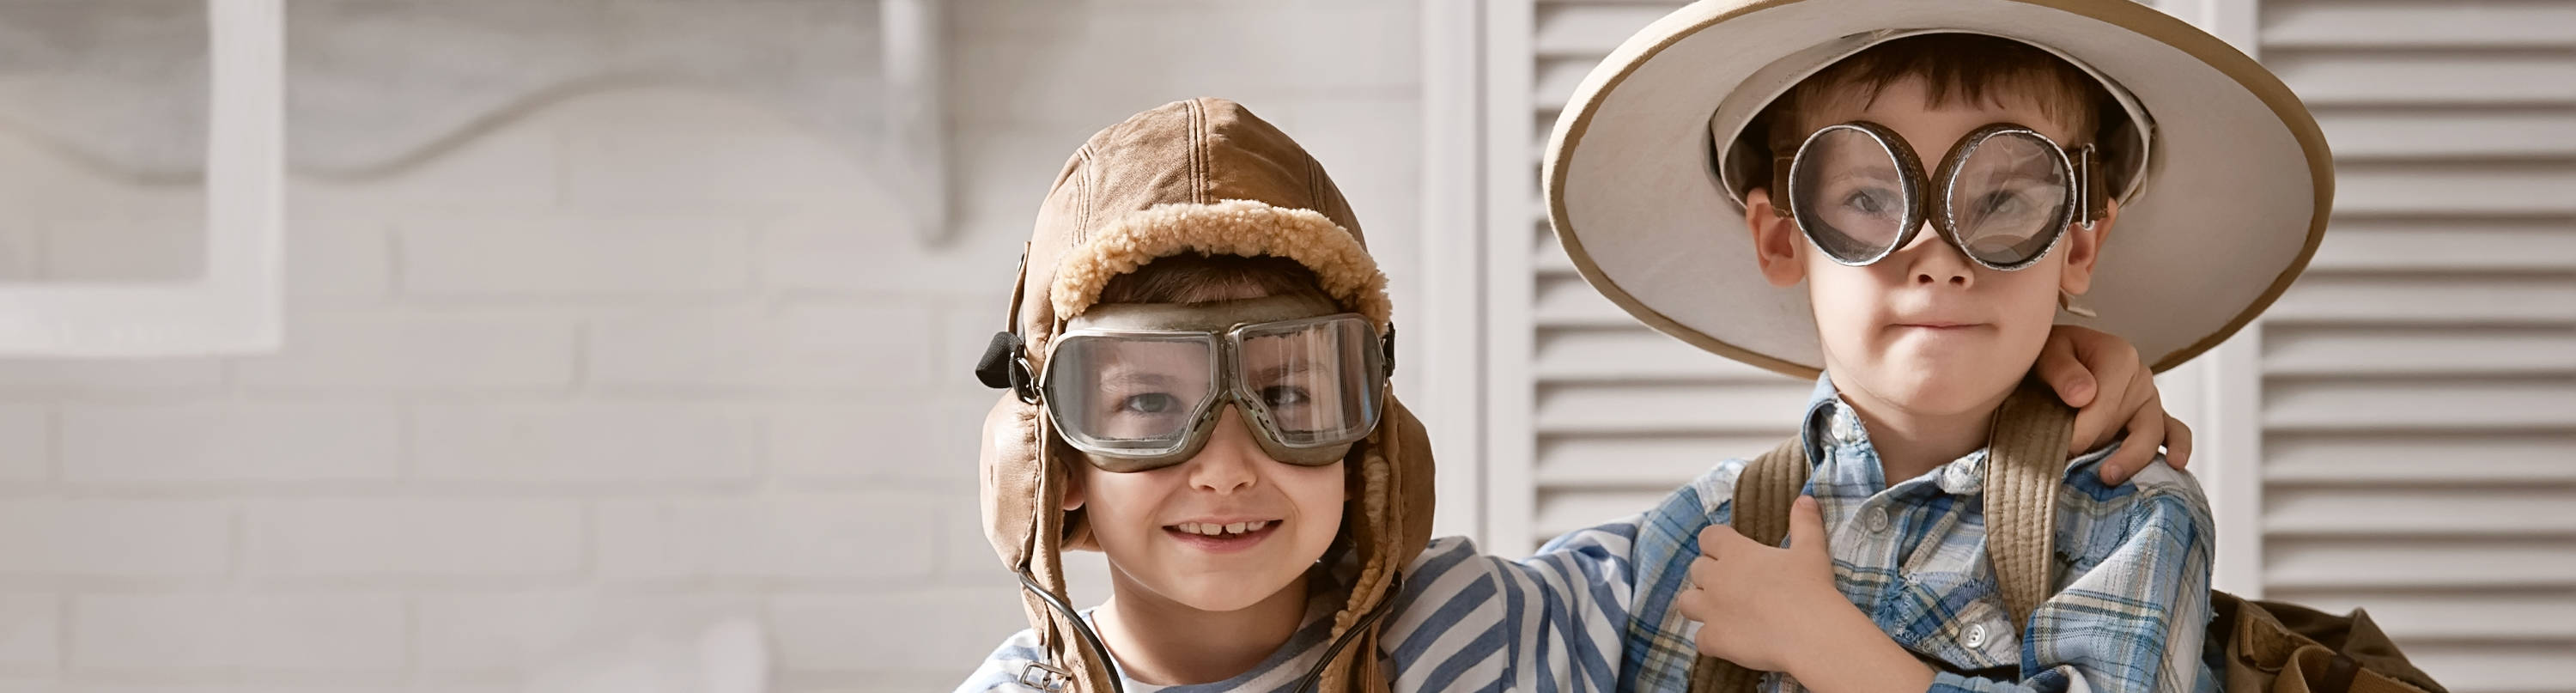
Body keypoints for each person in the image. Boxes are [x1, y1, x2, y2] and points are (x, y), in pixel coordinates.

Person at [959, 96, 2199, 693]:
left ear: (1374, 428)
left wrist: (2046, 359)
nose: (1226, 460)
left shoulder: (1467, 630)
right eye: (1143, 403)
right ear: (1043, 449)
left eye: (1294, 390)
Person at [1543, 1, 2333, 691]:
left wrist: (1821, 644)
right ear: (1784, 238)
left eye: (2002, 200)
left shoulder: (2131, 521)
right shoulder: (1700, 532)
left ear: (2079, 242)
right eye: (1867, 198)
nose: (1940, 256)